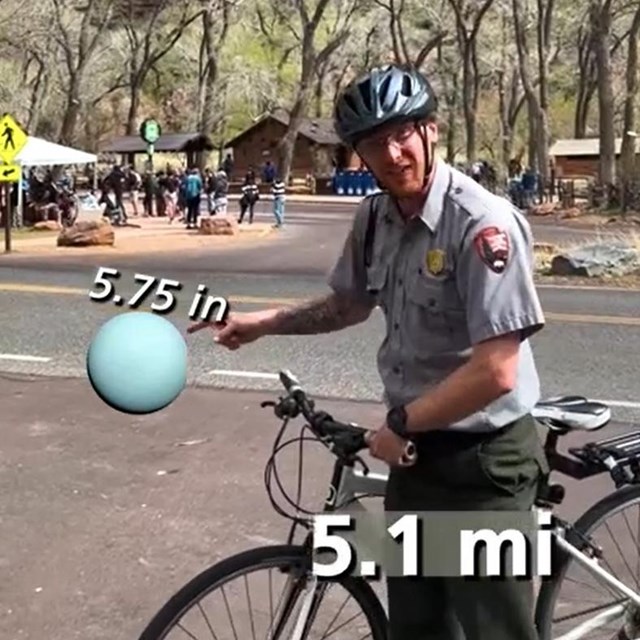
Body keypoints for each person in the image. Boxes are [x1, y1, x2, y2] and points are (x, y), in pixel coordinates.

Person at [189, 64, 549, 640]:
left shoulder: (482, 225)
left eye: (402, 134)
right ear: (357, 153)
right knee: (417, 625)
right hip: (413, 460)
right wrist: (264, 323)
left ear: (430, 131)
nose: (392, 153)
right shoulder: (376, 217)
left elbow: (496, 372)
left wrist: (402, 423)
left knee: (495, 631)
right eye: (373, 143)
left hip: (486, 465)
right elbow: (347, 305)